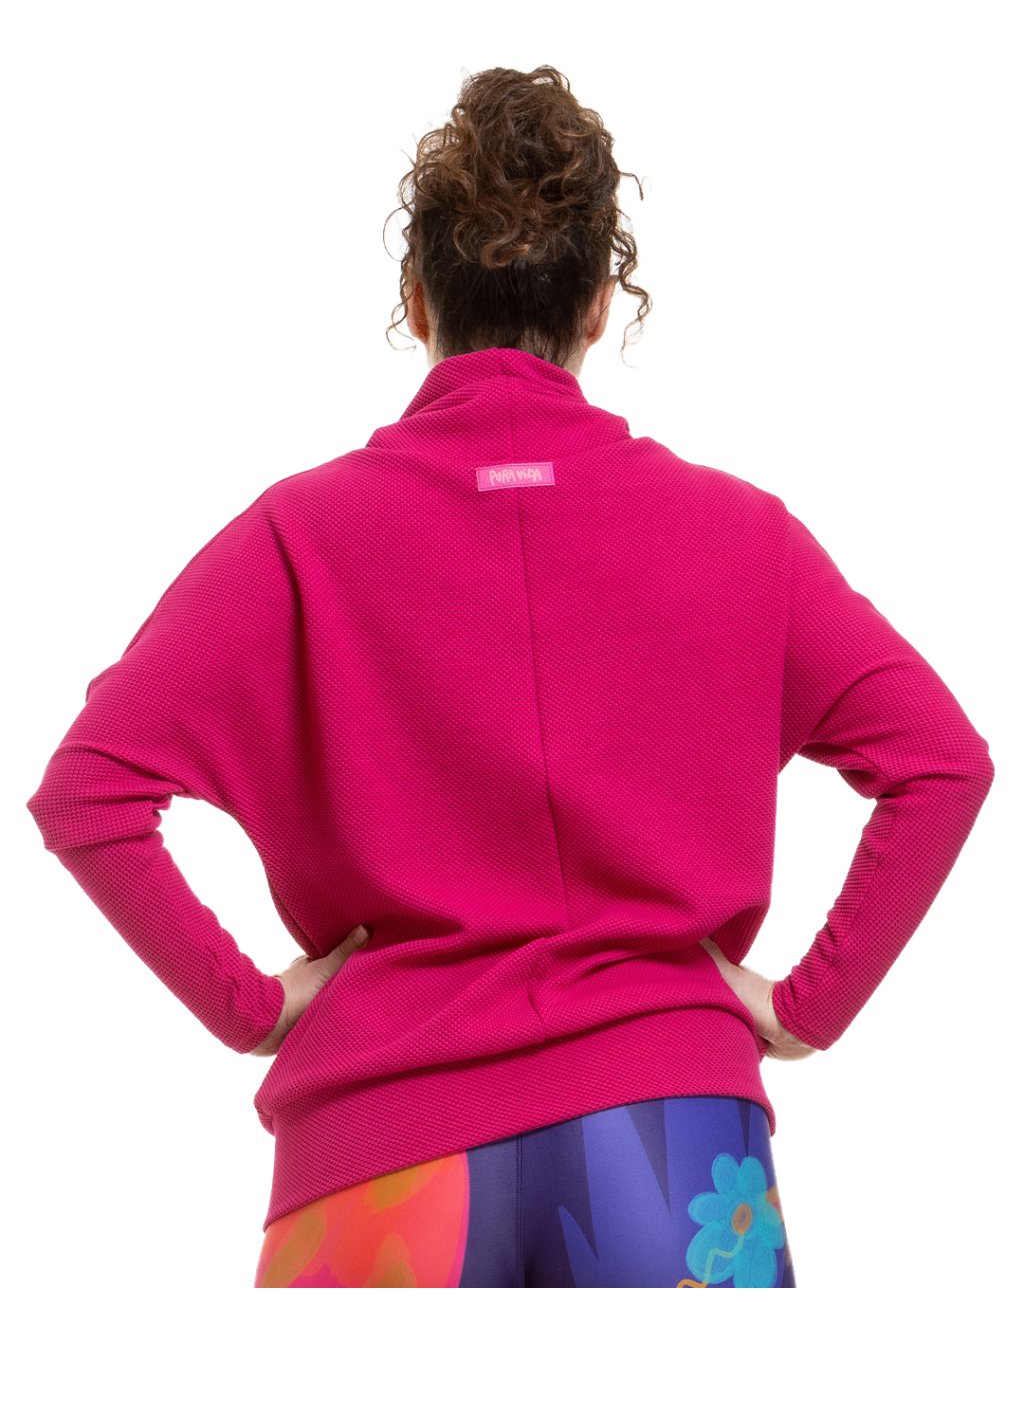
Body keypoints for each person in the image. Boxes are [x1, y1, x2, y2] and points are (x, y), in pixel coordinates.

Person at [26, 65, 994, 1289]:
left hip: (377, 1152)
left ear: (415, 299)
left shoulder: (293, 539)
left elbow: (89, 795)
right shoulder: (743, 536)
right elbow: (940, 762)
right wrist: (802, 1008)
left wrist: (251, 1008)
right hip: (670, 1132)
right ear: (597, 309)